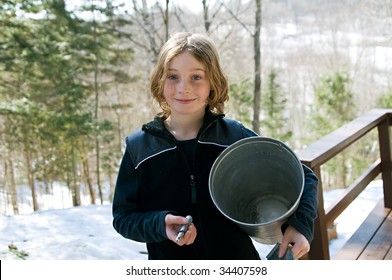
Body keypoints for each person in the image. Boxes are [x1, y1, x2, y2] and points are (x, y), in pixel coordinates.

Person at [112, 32, 318, 260]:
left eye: (196, 77)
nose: (183, 88)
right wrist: (159, 224)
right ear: (159, 82)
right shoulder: (139, 148)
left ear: (213, 83)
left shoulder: (233, 137)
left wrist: (300, 226)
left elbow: (305, 177)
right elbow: (123, 217)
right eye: (173, 77)